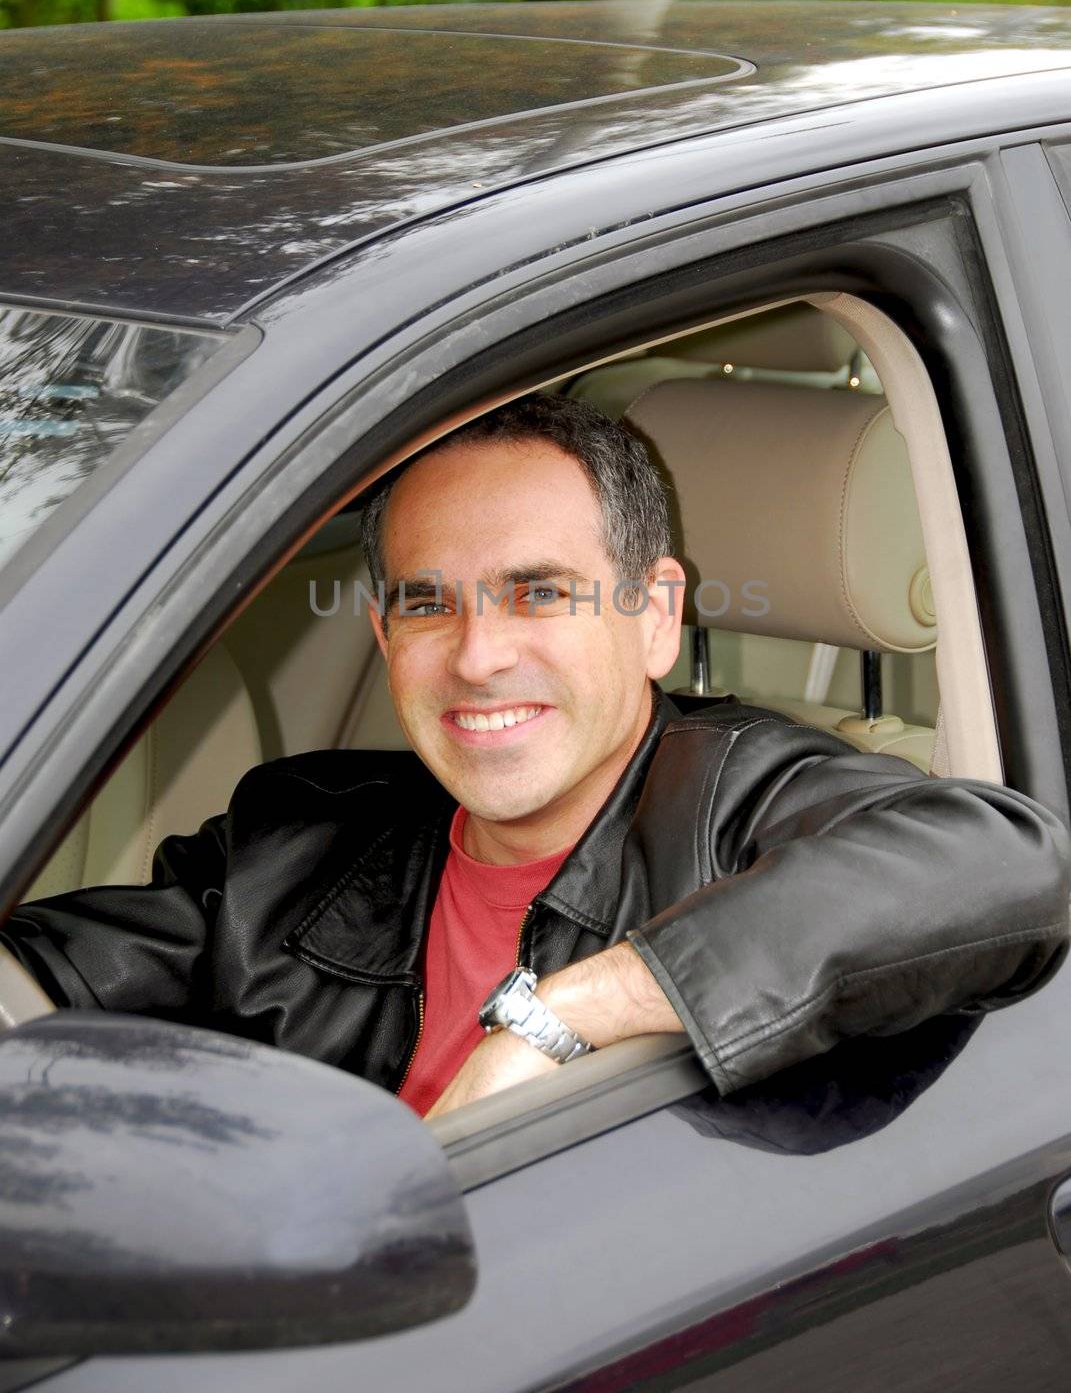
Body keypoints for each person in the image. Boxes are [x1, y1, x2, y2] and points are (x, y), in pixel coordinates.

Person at [3, 395, 1069, 1119]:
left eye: (539, 592)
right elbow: (49, 977)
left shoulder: (749, 800)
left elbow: (1010, 861)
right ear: (385, 638)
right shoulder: (299, 839)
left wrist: (561, 1017)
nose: (476, 656)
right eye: (429, 605)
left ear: (656, 615)